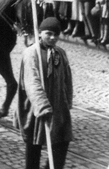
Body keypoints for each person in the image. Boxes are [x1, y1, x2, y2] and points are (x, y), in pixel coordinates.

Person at [14, 17, 73, 169]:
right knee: (34, 147)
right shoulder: (31, 53)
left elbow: (67, 79)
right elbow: (31, 81)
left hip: (58, 107)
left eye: (56, 34)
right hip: (37, 109)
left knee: (61, 143)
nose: (53, 38)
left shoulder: (60, 53)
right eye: (49, 34)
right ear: (39, 33)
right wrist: (43, 106)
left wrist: (67, 102)